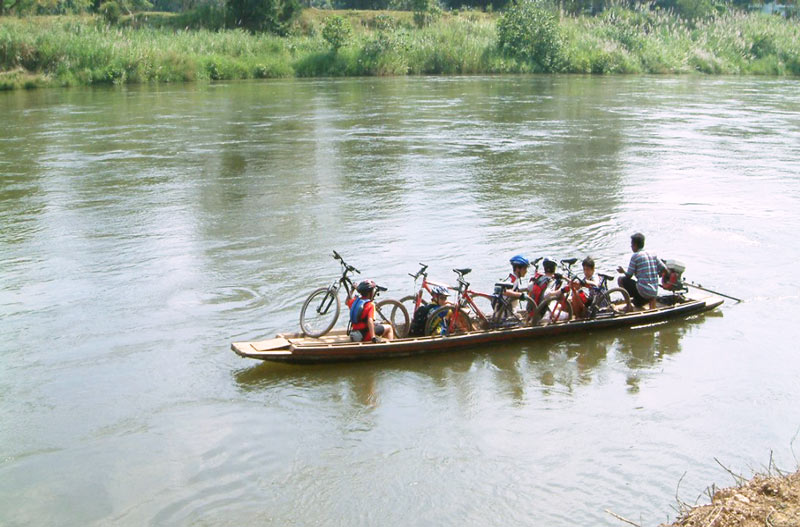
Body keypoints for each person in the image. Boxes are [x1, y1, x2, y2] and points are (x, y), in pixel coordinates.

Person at [617, 232, 665, 309]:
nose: (631, 247)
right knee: (639, 301)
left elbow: (629, 275)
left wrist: (623, 271)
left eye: (631, 245)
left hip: (643, 293)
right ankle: (651, 303)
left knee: (620, 280)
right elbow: (664, 269)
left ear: (635, 245)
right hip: (654, 293)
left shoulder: (635, 256)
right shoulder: (653, 254)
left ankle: (628, 305)